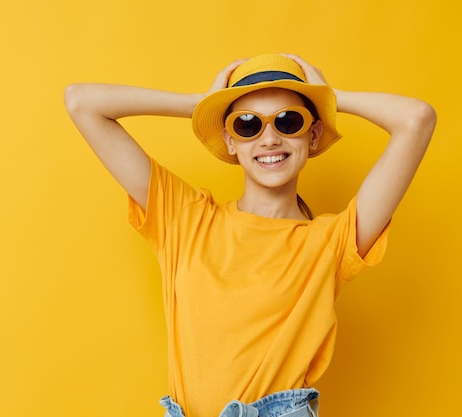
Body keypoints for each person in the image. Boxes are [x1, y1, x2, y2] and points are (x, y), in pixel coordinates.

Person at [63, 53, 436, 417]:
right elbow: (82, 102)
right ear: (229, 140)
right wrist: (200, 104)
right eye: (247, 124)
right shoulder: (184, 218)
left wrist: (330, 98)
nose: (269, 138)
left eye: (289, 121)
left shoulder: (332, 242)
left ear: (313, 132)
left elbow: (416, 119)